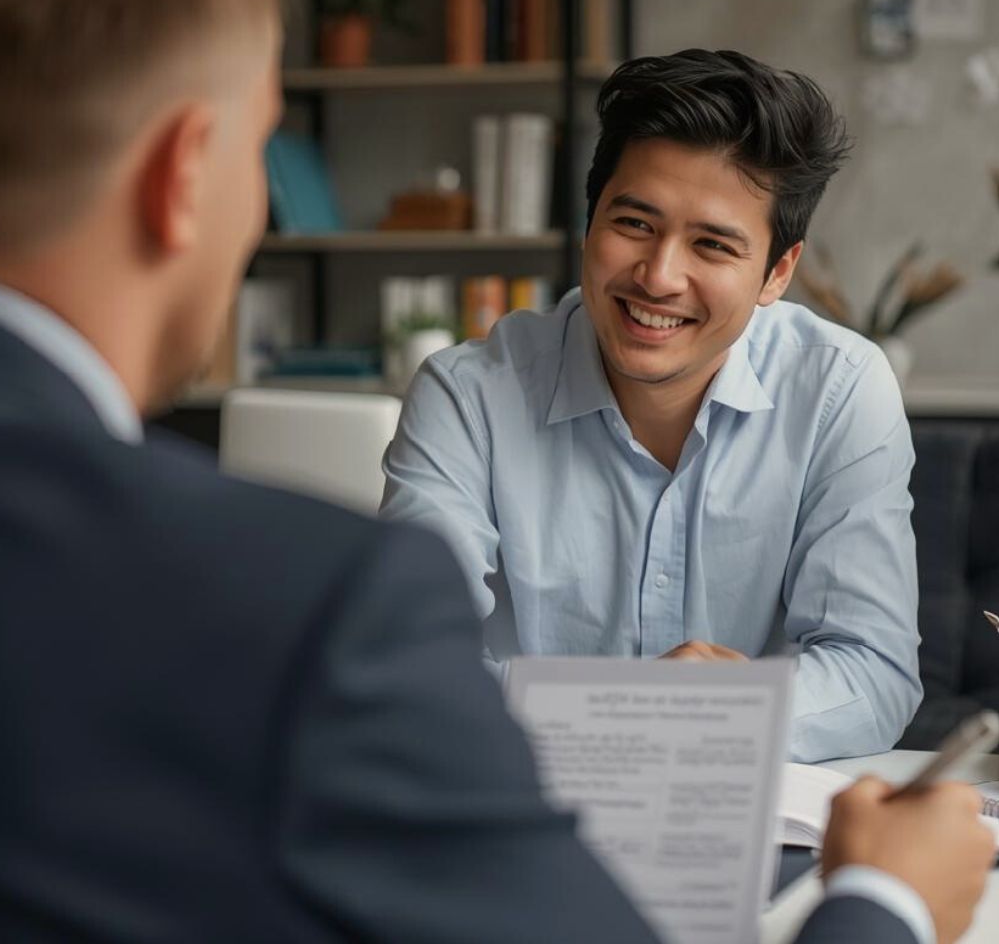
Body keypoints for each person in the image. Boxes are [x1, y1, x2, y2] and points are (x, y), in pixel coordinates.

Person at [0, 0, 997, 941]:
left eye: (713, 246)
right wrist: (884, 899)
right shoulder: (298, 609)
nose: (661, 276)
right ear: (185, 174)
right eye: (264, 141)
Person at [380, 49, 922, 763]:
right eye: (634, 224)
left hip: (749, 823)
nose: (660, 277)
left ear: (778, 272)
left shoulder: (840, 389)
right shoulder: (466, 397)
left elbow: (874, 672)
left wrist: (713, 713)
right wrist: (648, 717)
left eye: (713, 245)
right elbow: (408, 662)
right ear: (590, 217)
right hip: (515, 816)